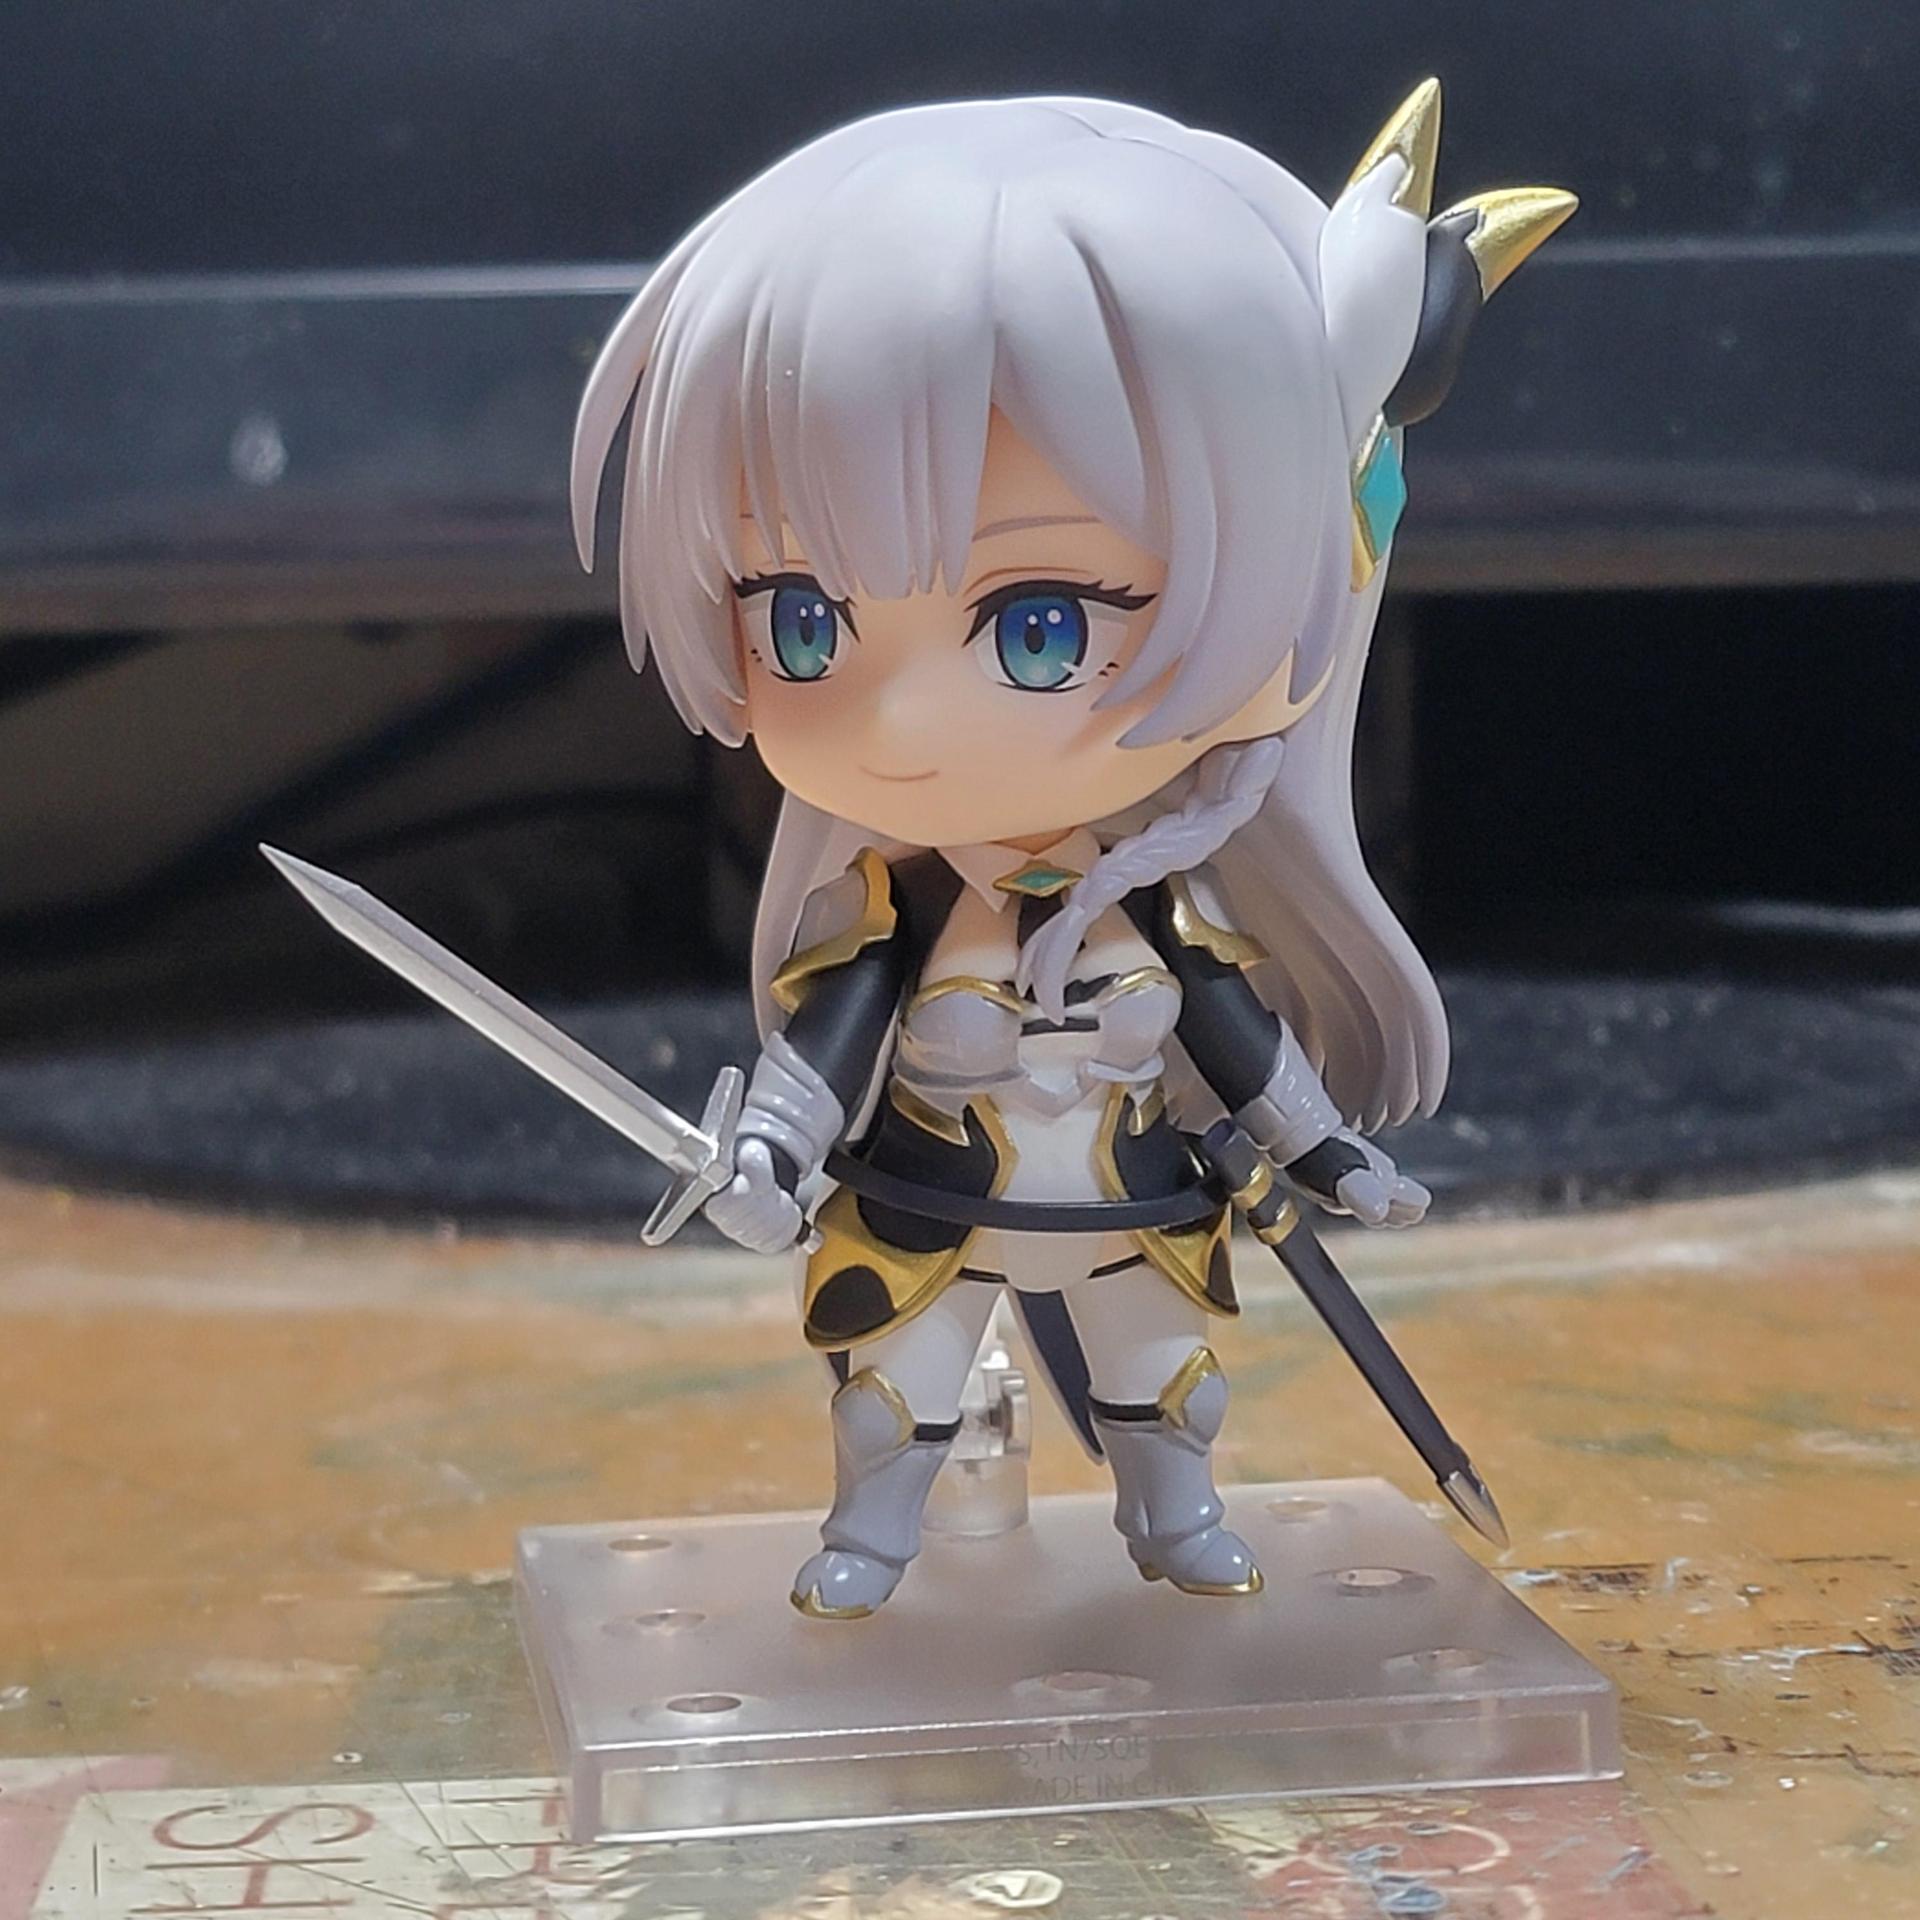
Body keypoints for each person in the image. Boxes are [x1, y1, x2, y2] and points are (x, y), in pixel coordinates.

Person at [572, 86, 1574, 1617]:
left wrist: (1329, 1155)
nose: (902, 721)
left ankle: (1173, 1520)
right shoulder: (899, 911)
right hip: (931, 1214)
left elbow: (1239, 1043)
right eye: (803, 622)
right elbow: (825, 1051)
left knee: (1166, 1387)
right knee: (893, 1398)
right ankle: (872, 1540)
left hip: (1131, 1210)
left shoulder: (1157, 906)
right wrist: (767, 1158)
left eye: (1039, 627)